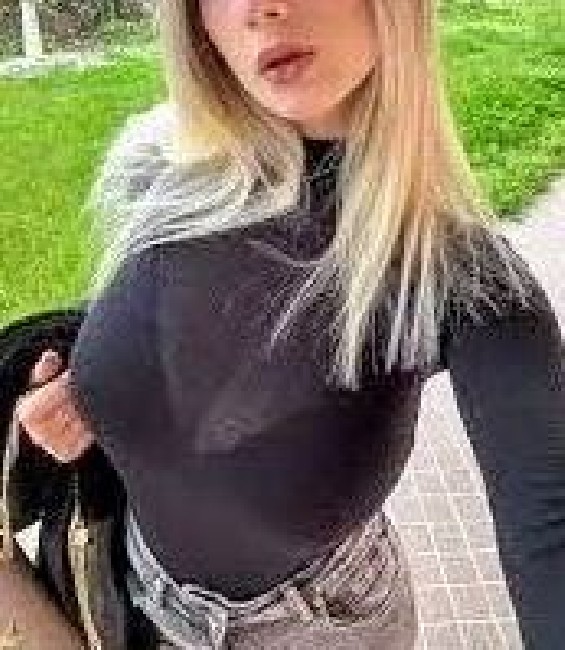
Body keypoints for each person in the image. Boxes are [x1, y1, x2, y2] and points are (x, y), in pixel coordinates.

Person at [11, 1, 564, 648]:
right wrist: (93, 375)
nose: (256, 9)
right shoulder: (165, 169)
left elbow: (548, 522)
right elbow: (171, 310)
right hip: (123, 590)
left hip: (309, 625)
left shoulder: (459, 277)